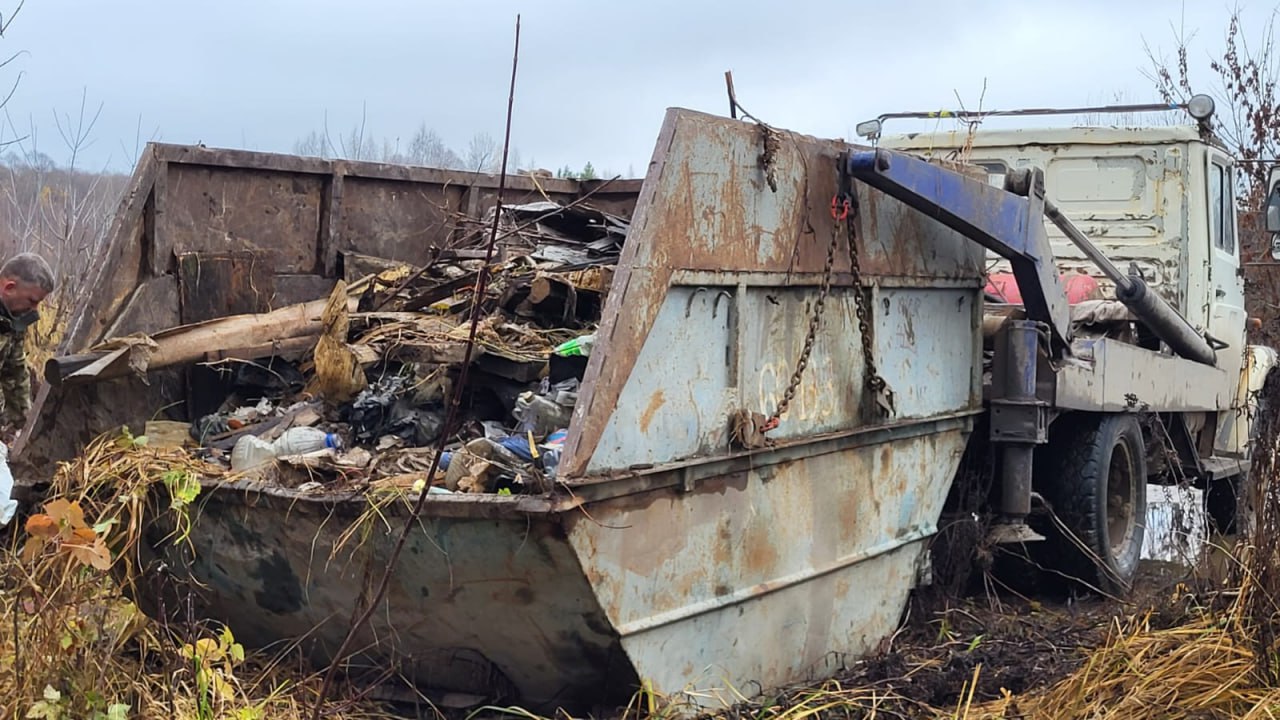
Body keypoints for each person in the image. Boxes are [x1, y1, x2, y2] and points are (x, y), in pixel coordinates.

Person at [0, 252, 54, 444]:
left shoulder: (12, 318)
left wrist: (24, 424)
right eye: (32, 301)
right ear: (9, 288)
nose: (35, 309)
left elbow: (14, 370)